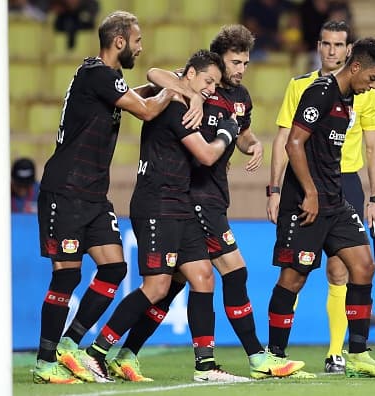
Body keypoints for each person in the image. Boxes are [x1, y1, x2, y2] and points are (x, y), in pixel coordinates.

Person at [106, 24, 306, 382]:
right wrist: (192, 93)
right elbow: (154, 73)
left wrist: (254, 144)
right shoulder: (198, 86)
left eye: (245, 62)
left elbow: (240, 133)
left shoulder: (241, 96)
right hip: (195, 198)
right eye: (235, 61)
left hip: (213, 196)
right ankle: (258, 357)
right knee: (235, 270)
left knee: (176, 286)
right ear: (217, 60)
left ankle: (127, 352)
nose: (240, 69)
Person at [33, 10, 181, 384]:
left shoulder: (105, 77)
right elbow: (147, 110)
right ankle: (45, 362)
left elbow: (137, 96)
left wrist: (174, 82)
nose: (140, 47)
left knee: (114, 268)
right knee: (66, 277)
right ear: (120, 41)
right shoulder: (96, 74)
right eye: (137, 40)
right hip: (65, 189)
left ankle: (70, 344)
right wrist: (176, 90)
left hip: (93, 194)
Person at [84, 49, 249, 383]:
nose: (211, 90)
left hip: (180, 205)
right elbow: (205, 155)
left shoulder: (185, 101)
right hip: (157, 204)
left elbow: (160, 75)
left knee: (203, 275)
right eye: (207, 81)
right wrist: (229, 131)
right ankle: (95, 353)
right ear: (188, 74)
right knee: (158, 286)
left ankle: (205, 366)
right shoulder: (174, 106)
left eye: (215, 85)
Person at [265, 36, 375, 378]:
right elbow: (294, 142)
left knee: (364, 265)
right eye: (371, 79)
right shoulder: (321, 92)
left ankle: (356, 353)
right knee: (293, 278)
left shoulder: (348, 100)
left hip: (335, 200)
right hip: (305, 201)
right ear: (356, 67)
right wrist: (308, 192)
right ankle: (274, 356)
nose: (371, 88)